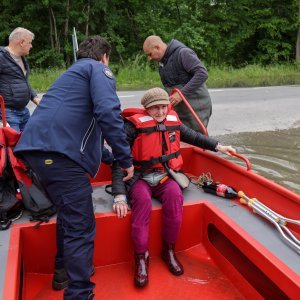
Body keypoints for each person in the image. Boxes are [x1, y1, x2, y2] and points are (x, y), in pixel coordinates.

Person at [14, 35, 134, 300]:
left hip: (37, 153)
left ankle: (62, 271)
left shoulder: (70, 75)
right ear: (105, 57)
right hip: (58, 157)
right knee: (81, 225)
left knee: (69, 215)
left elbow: (72, 129)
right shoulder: (98, 69)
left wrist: (107, 156)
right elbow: (108, 112)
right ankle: (80, 294)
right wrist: (126, 159)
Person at [111, 87, 235, 288]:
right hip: (139, 178)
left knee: (175, 198)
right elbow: (119, 161)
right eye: (155, 109)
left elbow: (195, 137)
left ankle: (168, 251)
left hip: (164, 176)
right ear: (146, 109)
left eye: (163, 107)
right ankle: (141, 258)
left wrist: (219, 146)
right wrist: (118, 195)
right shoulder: (131, 127)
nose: (160, 112)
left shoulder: (172, 121)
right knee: (141, 203)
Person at [143, 35, 212, 133]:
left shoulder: (183, 53)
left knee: (197, 140)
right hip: (180, 110)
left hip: (196, 108)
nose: (149, 58)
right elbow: (168, 87)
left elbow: (202, 73)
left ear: (157, 47)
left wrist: (181, 94)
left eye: (150, 54)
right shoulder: (162, 64)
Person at [0, 27, 40, 132]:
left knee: (30, 142)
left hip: (24, 112)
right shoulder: (1, 57)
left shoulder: (22, 59)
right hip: (7, 114)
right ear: (22, 42)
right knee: (14, 147)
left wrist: (35, 98)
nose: (31, 46)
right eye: (30, 43)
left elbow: (23, 82)